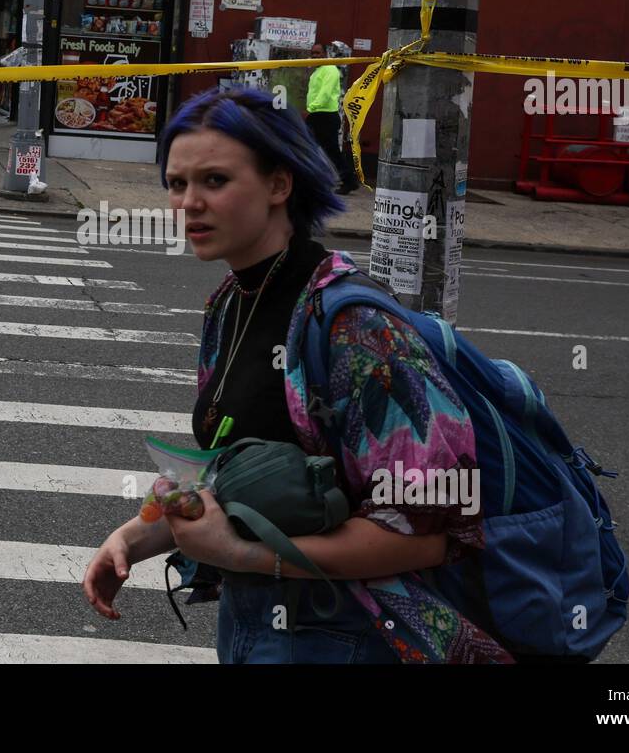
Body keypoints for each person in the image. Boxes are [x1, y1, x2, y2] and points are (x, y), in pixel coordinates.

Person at [82, 86, 512, 664]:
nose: (188, 203)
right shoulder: (228, 304)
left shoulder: (354, 328)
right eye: (178, 183)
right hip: (256, 623)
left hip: (356, 636)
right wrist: (135, 538)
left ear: (279, 185)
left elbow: (428, 531)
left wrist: (247, 557)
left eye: (214, 181)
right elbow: (242, 470)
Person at [304, 43, 355, 194]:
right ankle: (339, 180)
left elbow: (325, 94)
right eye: (313, 52)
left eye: (318, 53)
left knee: (330, 150)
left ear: (325, 53)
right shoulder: (317, 71)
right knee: (314, 148)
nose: (314, 55)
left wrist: (310, 109)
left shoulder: (330, 70)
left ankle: (348, 180)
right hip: (317, 115)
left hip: (324, 116)